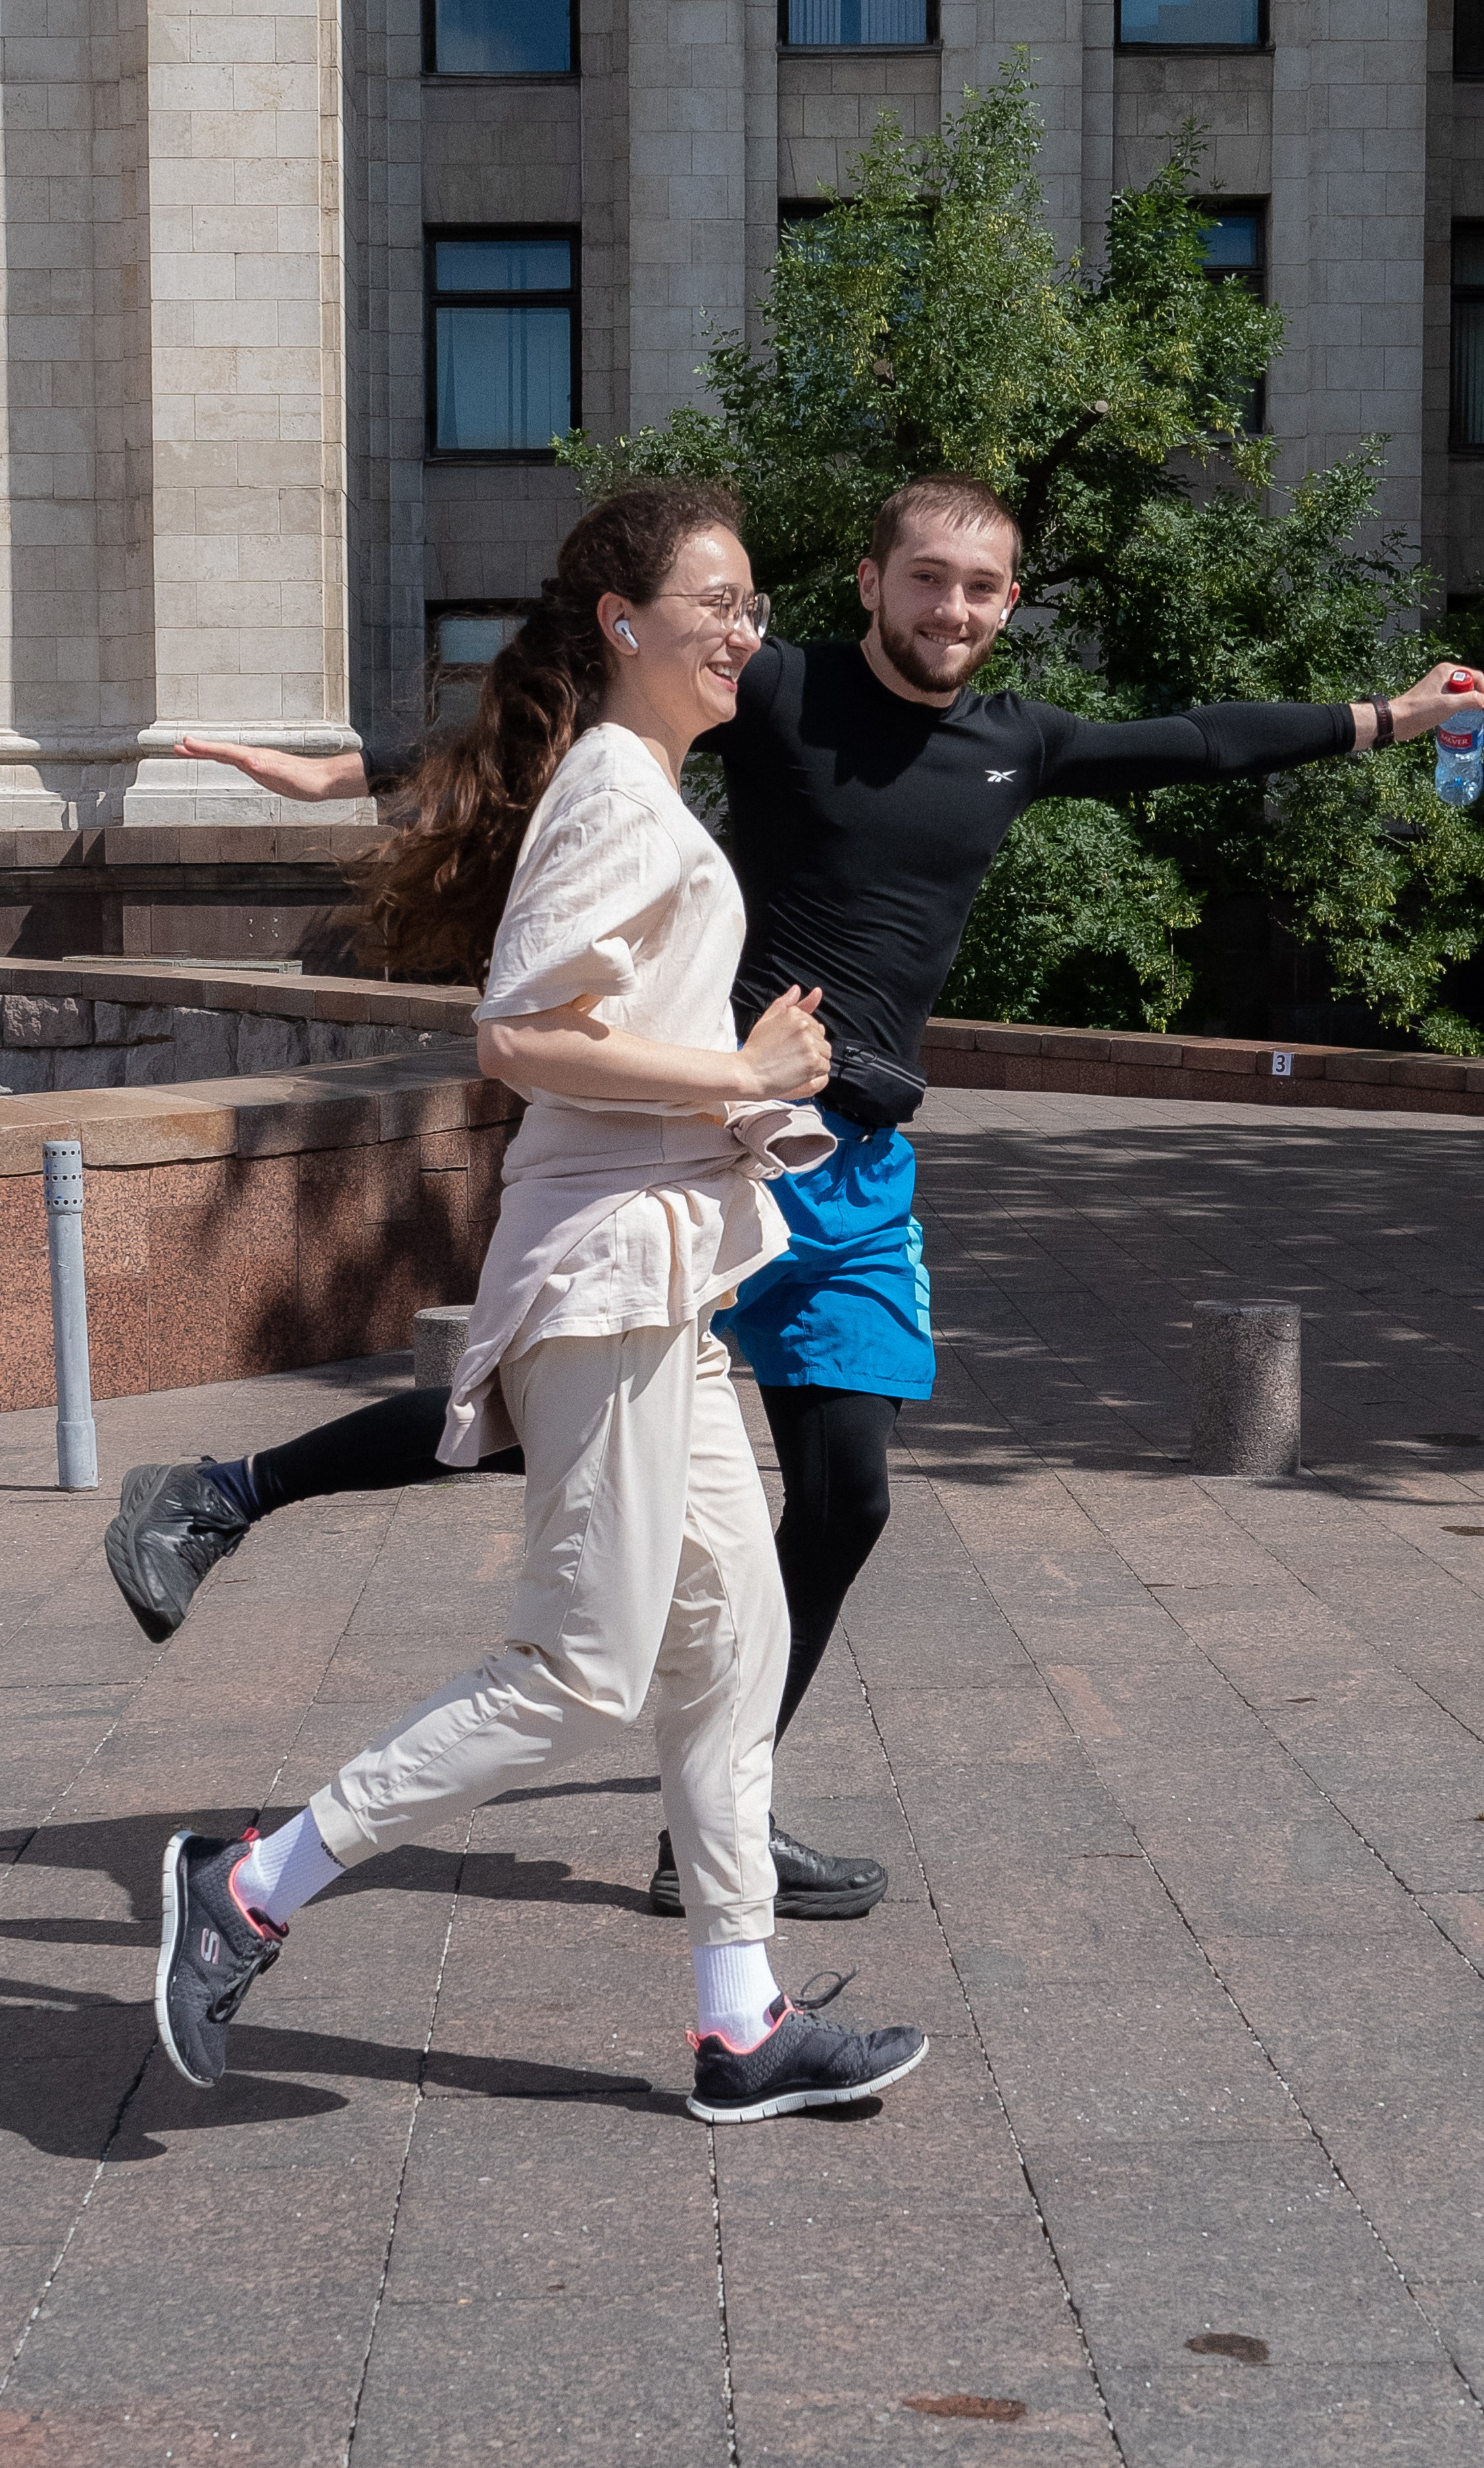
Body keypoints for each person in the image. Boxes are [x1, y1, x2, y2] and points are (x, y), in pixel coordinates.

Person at [116, 472, 1484, 1925]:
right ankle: (220, 1492)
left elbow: (1201, 742)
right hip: (711, 1137)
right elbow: (561, 711)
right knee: (534, 1425)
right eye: (927, 578)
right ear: (871, 582)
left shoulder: (1018, 740)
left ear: (1009, 604)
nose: (952, 607)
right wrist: (348, 778)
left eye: (981, 586)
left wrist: (1394, 718)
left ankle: (719, 1822)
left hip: (855, 1178)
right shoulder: (772, 688)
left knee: (842, 1500)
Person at [153, 480, 928, 2123]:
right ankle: (253, 1886)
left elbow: (599, 1042)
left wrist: (750, 1104)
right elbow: (522, 1030)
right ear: (624, 625)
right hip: (607, 1281)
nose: (745, 630)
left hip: (668, 1274)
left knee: (737, 1637)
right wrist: (737, 1068)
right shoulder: (615, 791)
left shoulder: (640, 788)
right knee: (582, 1670)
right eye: (713, 603)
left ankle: (742, 2019)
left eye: (756, 607)